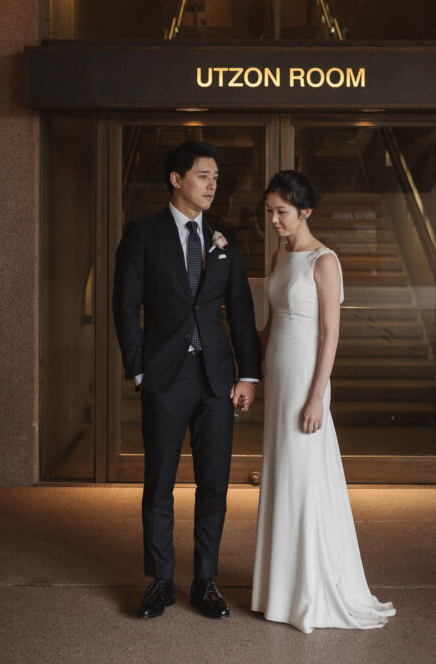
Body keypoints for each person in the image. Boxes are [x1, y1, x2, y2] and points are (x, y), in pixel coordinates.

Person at [112, 140, 261, 620]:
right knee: (158, 483)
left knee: (214, 482)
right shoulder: (142, 235)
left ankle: (205, 581)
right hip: (164, 377)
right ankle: (159, 582)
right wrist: (139, 368)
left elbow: (240, 310)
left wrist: (249, 374)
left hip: (216, 378)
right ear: (177, 180)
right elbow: (125, 305)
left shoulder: (225, 238)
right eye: (203, 175)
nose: (213, 184)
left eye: (216, 177)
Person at [251, 170, 395, 633]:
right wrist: (249, 372)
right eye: (269, 211)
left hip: (305, 380)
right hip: (277, 373)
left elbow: (331, 334)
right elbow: (272, 323)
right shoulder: (280, 255)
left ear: (305, 212)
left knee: (304, 478)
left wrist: (317, 397)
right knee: (283, 475)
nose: (273, 219)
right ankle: (281, 590)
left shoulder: (324, 261)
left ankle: (309, 592)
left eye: (282, 212)